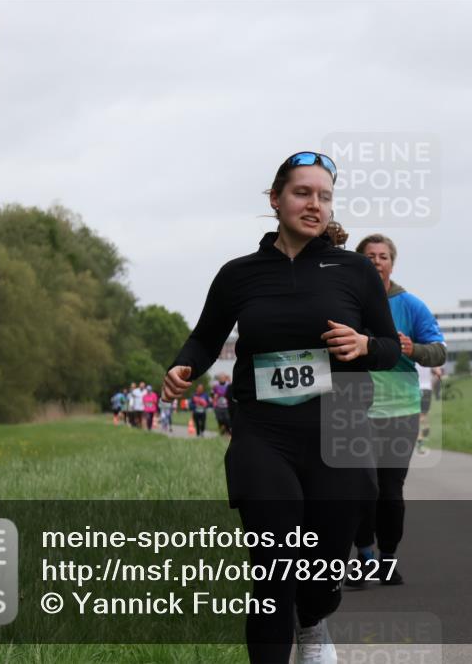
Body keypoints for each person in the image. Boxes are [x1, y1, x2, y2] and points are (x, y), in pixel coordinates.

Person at [161, 151, 400, 664]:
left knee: (323, 567)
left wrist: (364, 345)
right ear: (275, 199)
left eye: (325, 196)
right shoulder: (239, 275)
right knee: (273, 570)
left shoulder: (355, 271)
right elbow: (205, 338)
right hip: (264, 432)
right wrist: (184, 367)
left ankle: (313, 619)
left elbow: (388, 347)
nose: (315, 204)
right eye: (302, 193)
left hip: (338, 428)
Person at [348, 233, 446, 587]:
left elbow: (439, 351)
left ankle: (388, 558)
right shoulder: (347, 302)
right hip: (354, 409)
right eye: (369, 256)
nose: (376, 261)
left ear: (392, 262)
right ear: (359, 261)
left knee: (390, 489)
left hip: (399, 410)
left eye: (383, 256)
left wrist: (413, 349)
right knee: (360, 488)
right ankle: (364, 556)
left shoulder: (411, 305)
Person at [415, 364, 434, 455]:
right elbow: (438, 372)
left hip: (416, 388)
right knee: (423, 415)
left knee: (419, 416)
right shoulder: (429, 359)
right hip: (426, 389)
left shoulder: (413, 359)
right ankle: (422, 436)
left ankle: (420, 439)